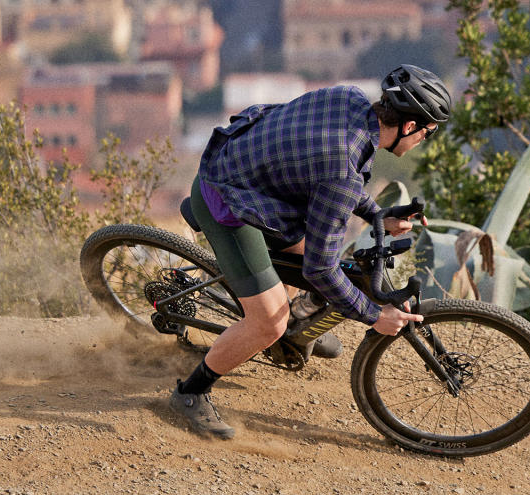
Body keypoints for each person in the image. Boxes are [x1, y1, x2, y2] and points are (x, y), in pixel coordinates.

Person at [170, 64, 453, 439]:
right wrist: (372, 315)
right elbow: (321, 266)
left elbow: (329, 171)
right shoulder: (341, 170)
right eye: (428, 131)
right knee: (270, 320)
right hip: (228, 200)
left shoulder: (349, 98)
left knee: (315, 252)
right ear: (410, 126)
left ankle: (294, 326)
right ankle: (191, 393)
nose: (425, 139)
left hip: (254, 178)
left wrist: (377, 215)